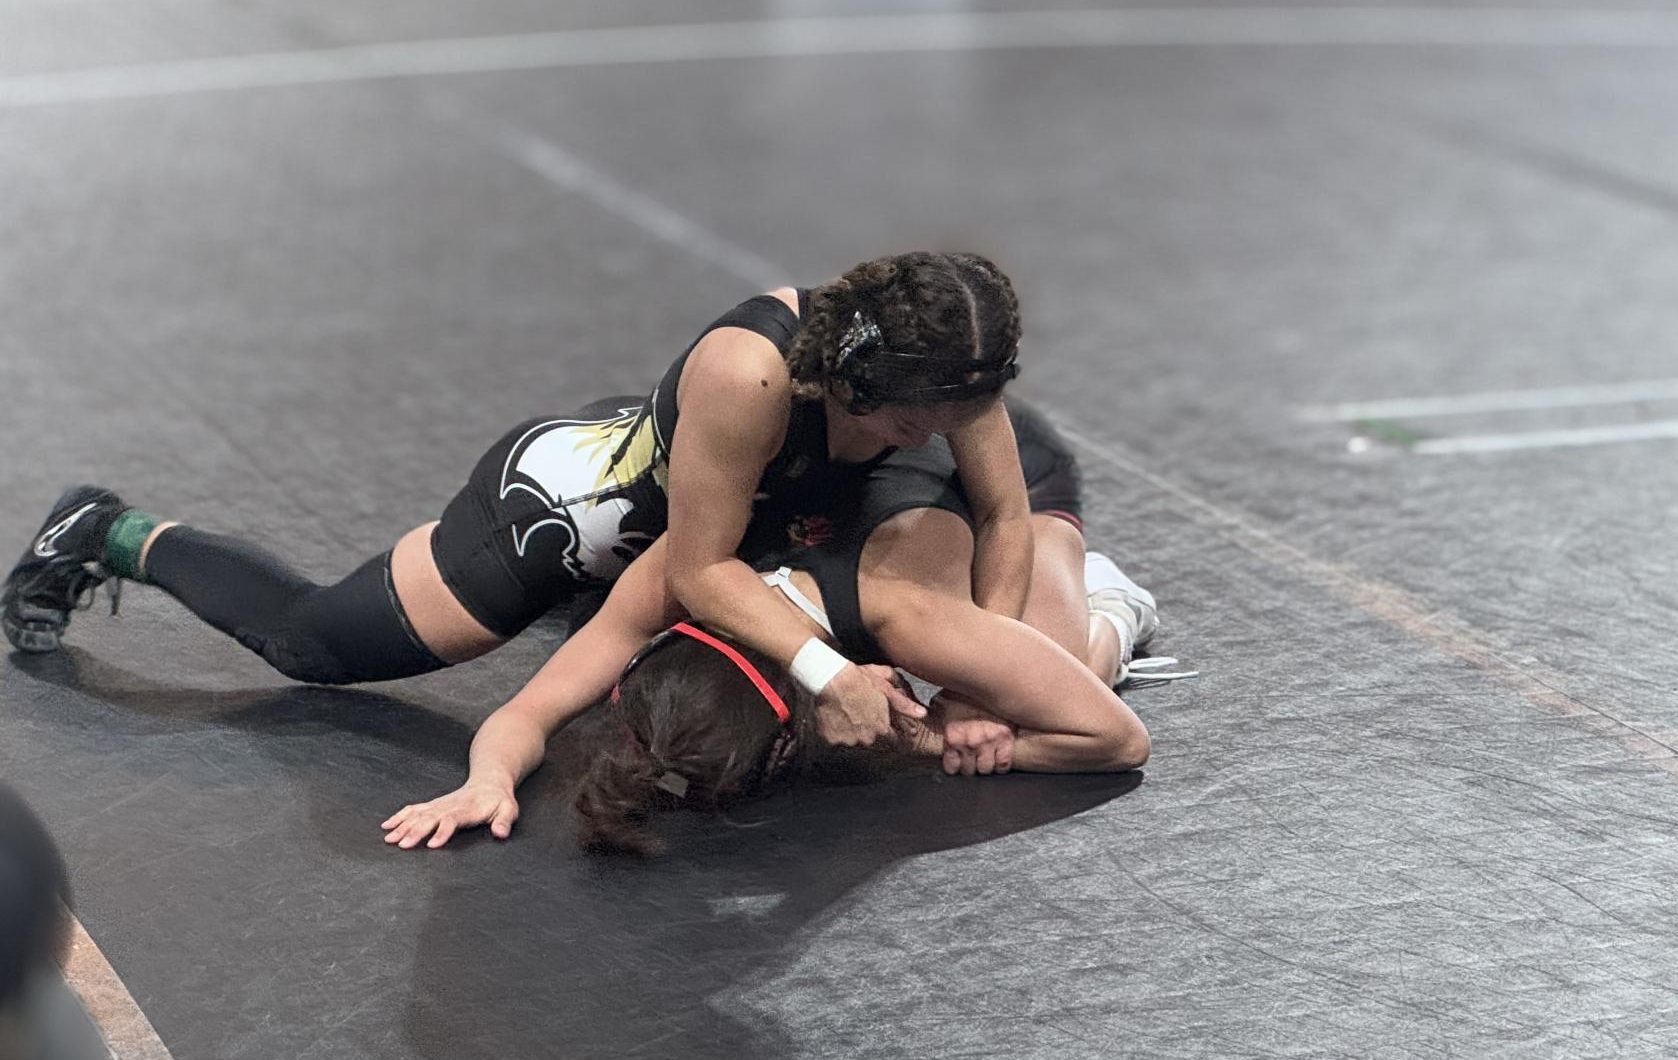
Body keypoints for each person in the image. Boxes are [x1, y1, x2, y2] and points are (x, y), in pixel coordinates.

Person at [3, 252, 1029, 747]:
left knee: (909, 562)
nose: (938, 438)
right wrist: (820, 664)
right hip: (604, 505)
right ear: (852, 377)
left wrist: (983, 681)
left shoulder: (952, 362)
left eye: (952, 418)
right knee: (317, 644)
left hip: (755, 505)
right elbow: (697, 565)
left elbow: (1006, 518)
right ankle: (105, 529)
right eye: (913, 423)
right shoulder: (750, 374)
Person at [382, 399, 1170, 854]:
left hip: (987, 467)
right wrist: (485, 779)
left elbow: (1117, 741)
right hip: (846, 493)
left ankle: (1109, 600)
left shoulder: (908, 613)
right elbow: (529, 711)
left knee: (1062, 675)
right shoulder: (672, 581)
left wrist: (936, 738)